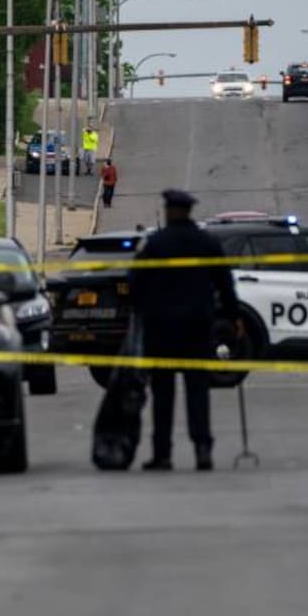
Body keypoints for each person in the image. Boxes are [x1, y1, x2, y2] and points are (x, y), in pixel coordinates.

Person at [129, 189, 241, 472]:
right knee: (197, 389)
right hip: (198, 326)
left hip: (161, 328)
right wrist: (233, 316)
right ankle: (202, 448)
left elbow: (135, 283)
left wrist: (143, 313)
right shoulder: (207, 243)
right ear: (189, 212)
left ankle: (162, 453)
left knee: (163, 392)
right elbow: (225, 283)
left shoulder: (155, 244)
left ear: (169, 211)